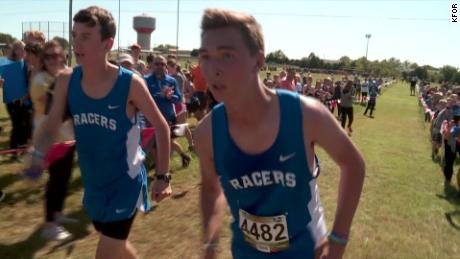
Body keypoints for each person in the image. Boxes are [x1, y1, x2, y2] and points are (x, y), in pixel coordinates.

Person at [194, 9, 365, 259]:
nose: (213, 68)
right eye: (206, 56)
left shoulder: (306, 115)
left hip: (308, 251)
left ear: (258, 60)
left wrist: (338, 240)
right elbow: (210, 188)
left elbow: (354, 164)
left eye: (227, 55)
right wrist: (209, 245)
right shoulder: (206, 133)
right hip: (246, 253)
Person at [26, 6, 171, 258]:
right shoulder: (66, 81)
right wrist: (38, 152)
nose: (76, 44)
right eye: (74, 35)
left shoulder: (129, 84)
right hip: (94, 187)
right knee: (117, 247)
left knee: (106, 253)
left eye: (85, 37)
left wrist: (162, 176)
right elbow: (50, 125)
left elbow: (161, 125)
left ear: (107, 43)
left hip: (125, 183)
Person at [29, 40, 77, 241]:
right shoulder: (40, 79)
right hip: (49, 138)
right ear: (42, 60)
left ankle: (58, 214)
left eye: (58, 55)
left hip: (67, 137)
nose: (55, 59)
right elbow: (57, 101)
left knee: (64, 177)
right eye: (49, 56)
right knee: (55, 181)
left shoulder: (64, 75)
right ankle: (50, 225)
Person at [145, 55, 191, 168]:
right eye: (157, 64)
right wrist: (160, 95)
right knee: (153, 146)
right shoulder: (145, 80)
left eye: (162, 64)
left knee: (164, 144)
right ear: (152, 66)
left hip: (168, 118)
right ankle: (160, 169)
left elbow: (179, 98)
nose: (160, 66)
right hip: (151, 119)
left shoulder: (171, 80)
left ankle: (161, 172)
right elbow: (144, 97)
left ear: (165, 66)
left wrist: (170, 97)